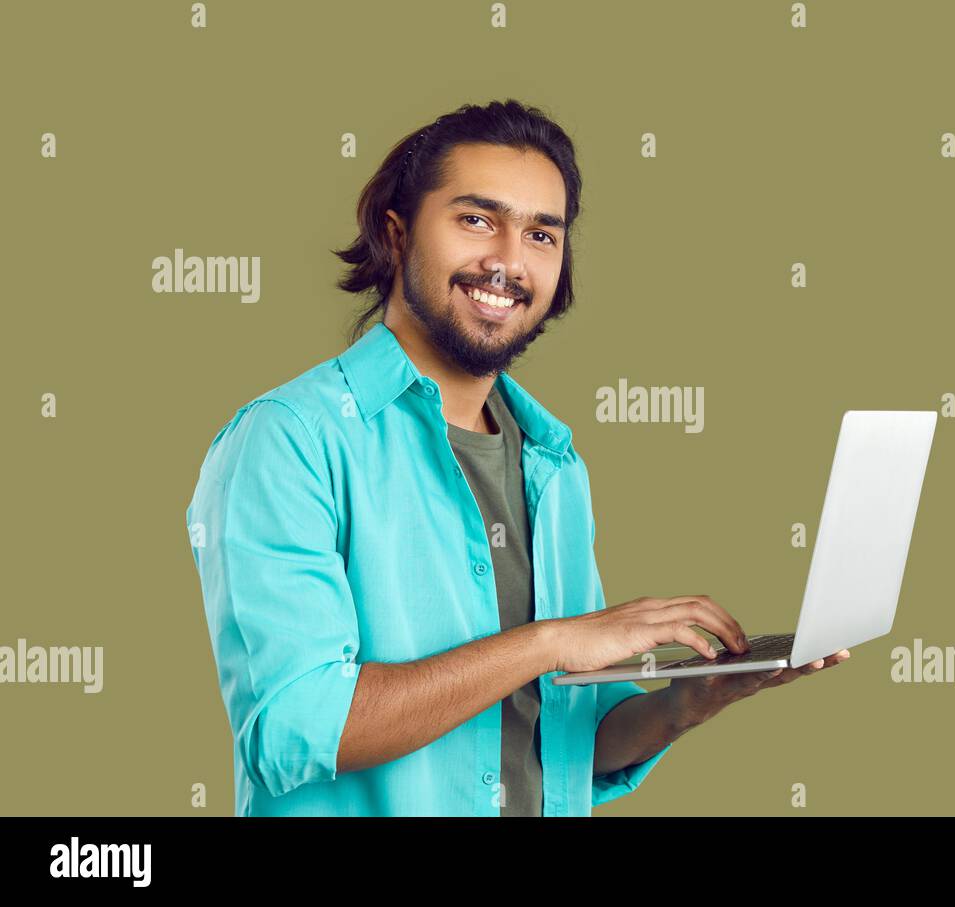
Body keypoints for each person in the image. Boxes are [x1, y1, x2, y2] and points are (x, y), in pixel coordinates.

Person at [185, 99, 847, 817]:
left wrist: (685, 703)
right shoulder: (289, 440)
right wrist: (555, 640)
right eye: (476, 219)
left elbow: (562, 735)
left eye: (541, 233)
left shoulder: (554, 464)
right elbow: (297, 726)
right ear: (395, 233)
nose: (508, 261)